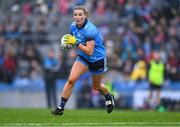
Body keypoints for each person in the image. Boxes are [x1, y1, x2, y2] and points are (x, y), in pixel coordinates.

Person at [51, 6, 114, 115]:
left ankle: (108, 96)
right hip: (83, 57)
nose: (77, 17)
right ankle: (60, 107)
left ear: (85, 16)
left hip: (97, 59)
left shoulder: (90, 30)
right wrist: (68, 46)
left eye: (80, 14)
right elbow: (74, 41)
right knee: (71, 80)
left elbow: (89, 51)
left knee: (96, 87)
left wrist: (75, 43)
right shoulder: (72, 27)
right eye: (75, 14)